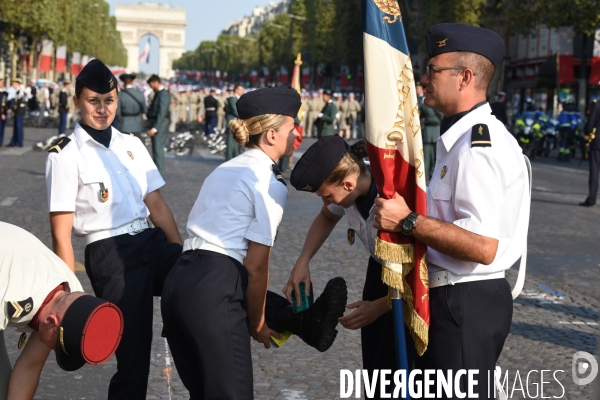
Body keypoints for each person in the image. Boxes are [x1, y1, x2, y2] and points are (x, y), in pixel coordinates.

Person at [373, 23, 530, 398]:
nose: (423, 79)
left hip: (465, 302)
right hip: (454, 299)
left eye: (432, 70)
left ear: (465, 77)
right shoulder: (460, 139)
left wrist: (408, 221)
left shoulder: (480, 147)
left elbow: (482, 246)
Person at [161, 88, 348, 399]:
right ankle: (302, 321)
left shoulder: (224, 169)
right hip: (215, 287)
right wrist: (258, 322)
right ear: (272, 135)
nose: (297, 133)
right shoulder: (269, 183)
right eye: (292, 126)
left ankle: (302, 320)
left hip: (178, 282)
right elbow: (256, 267)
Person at [45, 59, 183, 400]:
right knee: (134, 358)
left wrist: (180, 254)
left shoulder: (132, 145)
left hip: (151, 242)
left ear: (117, 100)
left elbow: (158, 207)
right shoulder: (64, 155)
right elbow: (61, 233)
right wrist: (71, 293)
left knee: (208, 271)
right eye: (93, 101)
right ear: (77, 101)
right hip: (110, 255)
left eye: (108, 100)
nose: (102, 109)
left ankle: (291, 318)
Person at [287, 136, 409, 398]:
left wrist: (379, 307)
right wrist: (303, 261)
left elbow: (424, 273)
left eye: (326, 195)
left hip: (408, 283)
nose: (325, 202)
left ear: (348, 183)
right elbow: (326, 217)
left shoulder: (392, 199)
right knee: (375, 371)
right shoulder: (350, 188)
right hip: (379, 273)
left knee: (397, 370)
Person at [0, 222, 124, 400]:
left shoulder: (71, 299)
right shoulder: (11, 295)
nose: (52, 350)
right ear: (51, 321)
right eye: (55, 345)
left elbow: (30, 365)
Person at [417, 82, 443, 184]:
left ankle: (424, 178)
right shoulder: (438, 103)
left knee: (426, 158)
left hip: (428, 132)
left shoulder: (423, 105)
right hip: (437, 131)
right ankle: (433, 176)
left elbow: (418, 117)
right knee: (436, 157)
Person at [147, 74, 170, 176]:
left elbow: (162, 112)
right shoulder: (158, 93)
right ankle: (157, 173)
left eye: (151, 84)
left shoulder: (163, 94)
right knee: (156, 151)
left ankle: (160, 174)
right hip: (157, 124)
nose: (151, 87)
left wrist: (155, 128)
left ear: (156, 82)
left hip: (159, 126)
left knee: (158, 151)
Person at [580, 99, 600, 207]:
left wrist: (587, 138)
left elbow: (590, 122)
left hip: (597, 142)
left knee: (594, 171)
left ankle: (591, 199)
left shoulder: (597, 104)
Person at [116, 73, 147, 139]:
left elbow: (117, 112)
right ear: (132, 82)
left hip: (124, 124)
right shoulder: (140, 94)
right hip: (137, 124)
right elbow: (145, 110)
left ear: (123, 83)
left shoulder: (120, 95)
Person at [224, 84, 243, 161]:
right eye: (241, 89)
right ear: (236, 90)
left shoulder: (238, 98)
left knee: (236, 142)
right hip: (232, 122)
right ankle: (229, 158)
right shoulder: (233, 99)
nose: (242, 91)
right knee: (231, 142)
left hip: (237, 122)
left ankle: (235, 156)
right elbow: (236, 111)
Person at [7, 78, 26, 148]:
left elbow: (16, 102)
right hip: (17, 111)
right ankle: (14, 141)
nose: (13, 85)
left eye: (14, 84)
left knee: (19, 127)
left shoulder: (20, 91)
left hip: (19, 111)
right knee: (16, 127)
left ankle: (19, 142)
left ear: (18, 84)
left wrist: (11, 108)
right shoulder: (18, 91)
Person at [0, 79, 7, 146]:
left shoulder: (4, 92)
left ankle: (1, 141)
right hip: (1, 113)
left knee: (2, 128)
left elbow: (4, 103)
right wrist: (2, 113)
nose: (2, 84)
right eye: (1, 83)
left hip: (3, 113)